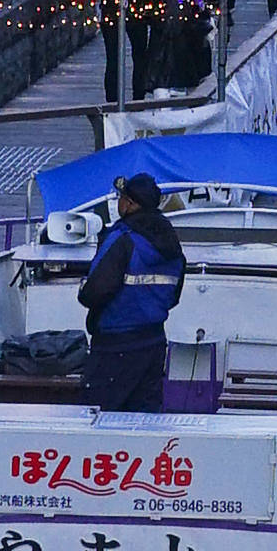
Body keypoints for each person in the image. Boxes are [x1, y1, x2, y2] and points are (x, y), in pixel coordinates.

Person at [76, 167, 188, 413]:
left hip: (114, 346)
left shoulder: (122, 237)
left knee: (96, 419)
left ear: (129, 204)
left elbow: (95, 291)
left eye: (121, 199)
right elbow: (174, 295)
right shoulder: (171, 241)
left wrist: (83, 291)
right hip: (154, 343)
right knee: (145, 423)